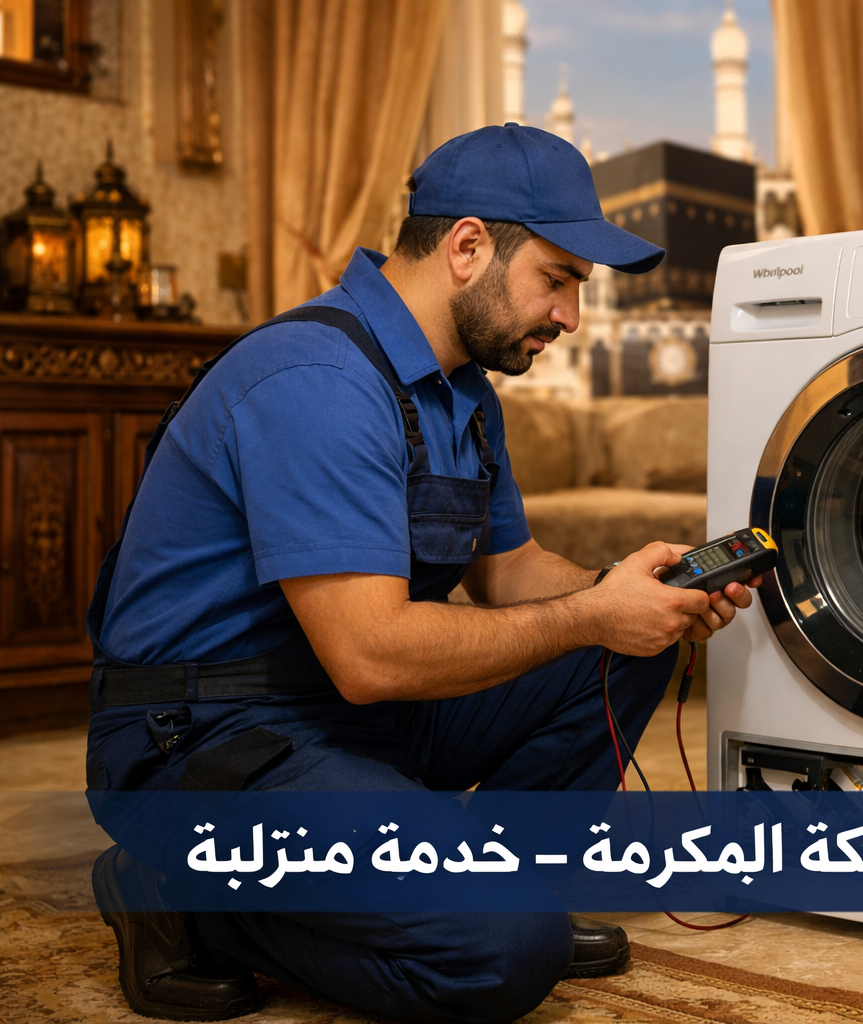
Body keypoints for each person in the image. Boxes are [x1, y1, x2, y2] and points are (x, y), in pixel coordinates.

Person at [84, 124, 758, 1024]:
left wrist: (628, 592)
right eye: (557, 280)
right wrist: (593, 612)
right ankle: (172, 890)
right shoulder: (316, 381)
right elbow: (371, 655)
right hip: (205, 741)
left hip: (345, 718)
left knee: (623, 641)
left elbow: (512, 574)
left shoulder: (463, 393)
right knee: (507, 955)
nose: (571, 317)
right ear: (468, 246)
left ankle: (482, 886)